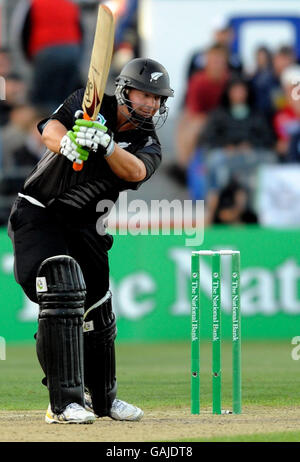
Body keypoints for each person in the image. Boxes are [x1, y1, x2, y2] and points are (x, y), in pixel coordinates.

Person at [7, 58, 174, 424]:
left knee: (98, 306)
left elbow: (136, 170)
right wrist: (68, 142)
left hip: (87, 225)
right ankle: (63, 402)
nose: (151, 104)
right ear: (125, 91)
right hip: (40, 213)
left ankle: (102, 399)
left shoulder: (148, 143)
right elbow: (48, 128)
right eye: (144, 94)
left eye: (157, 98)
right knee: (60, 288)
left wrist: (108, 144)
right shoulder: (90, 102)